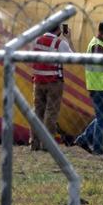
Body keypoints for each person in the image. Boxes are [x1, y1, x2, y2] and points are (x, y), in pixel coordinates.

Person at [74, 20, 103, 155]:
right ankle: (97, 147)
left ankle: (83, 139)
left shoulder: (102, 45)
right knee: (102, 117)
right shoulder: (98, 46)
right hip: (98, 87)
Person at [30, 23, 72, 151]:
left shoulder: (36, 40)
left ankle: (34, 142)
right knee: (51, 112)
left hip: (38, 81)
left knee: (38, 111)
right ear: (59, 29)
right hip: (54, 82)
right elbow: (72, 57)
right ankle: (47, 144)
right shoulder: (60, 43)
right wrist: (68, 39)